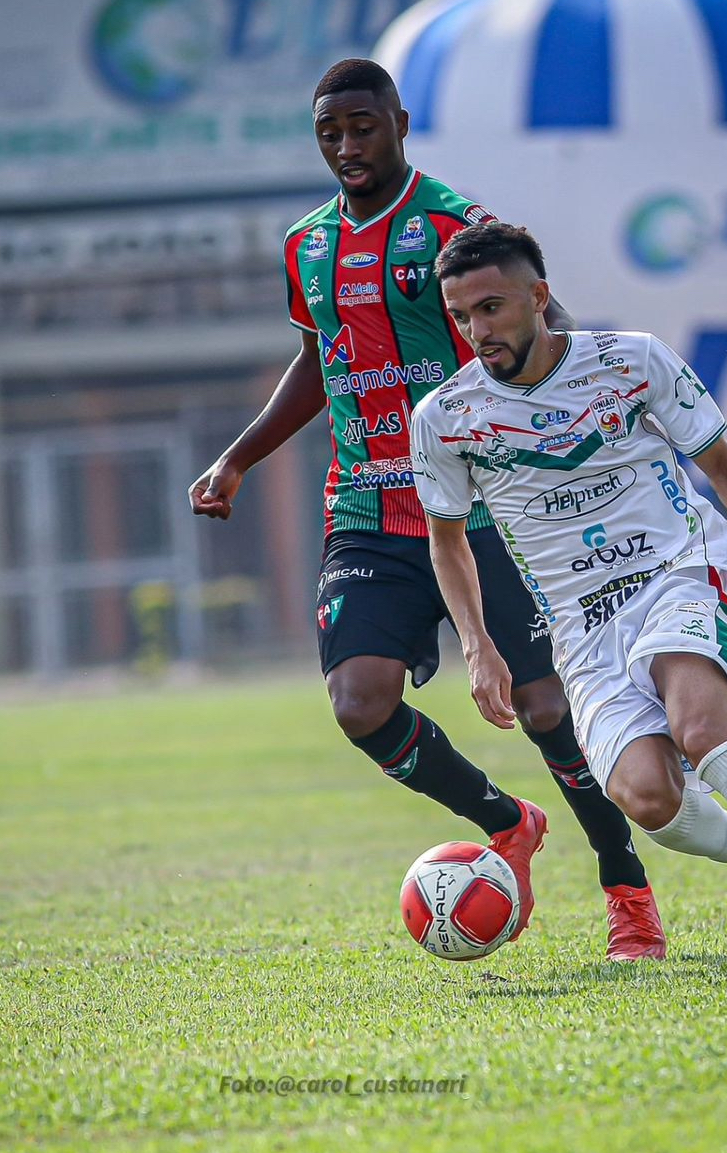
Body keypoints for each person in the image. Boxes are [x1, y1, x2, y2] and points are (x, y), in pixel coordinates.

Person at [189, 58, 665, 958]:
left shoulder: (453, 223)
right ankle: (503, 819)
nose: (346, 146)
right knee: (358, 701)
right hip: (366, 507)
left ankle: (626, 888)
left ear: (400, 122)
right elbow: (317, 363)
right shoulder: (307, 245)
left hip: (484, 513)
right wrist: (237, 457)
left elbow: (539, 330)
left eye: (362, 127)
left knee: (546, 708)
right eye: (330, 133)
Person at [411, 221, 727, 980]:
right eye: (461, 315)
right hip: (579, 624)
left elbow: (721, 461)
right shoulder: (445, 418)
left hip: (674, 568)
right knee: (648, 799)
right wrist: (477, 643)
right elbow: (447, 540)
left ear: (538, 296)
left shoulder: (631, 359)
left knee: (702, 730)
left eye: (490, 308)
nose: (476, 331)